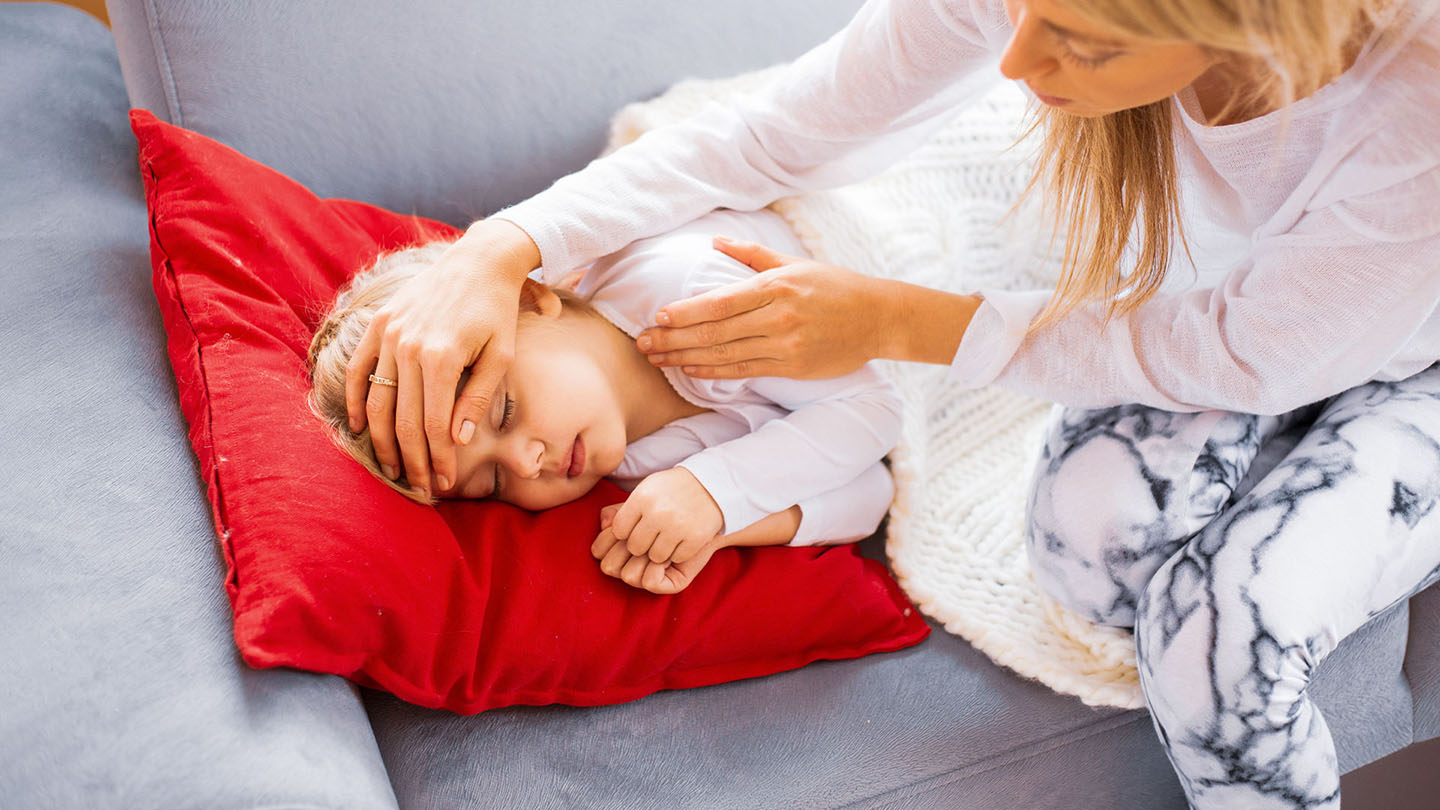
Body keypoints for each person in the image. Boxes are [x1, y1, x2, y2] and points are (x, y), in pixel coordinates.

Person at [342, 0, 1439, 806]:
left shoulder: (1411, 109)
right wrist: (492, 248)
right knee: (1087, 550)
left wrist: (886, 333)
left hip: (1378, 352)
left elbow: (1245, 356)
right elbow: (776, 134)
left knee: (1219, 639)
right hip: (1258, 319)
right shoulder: (622, 436)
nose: (1015, 63)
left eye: (1082, 42)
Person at [309, 209, 902, 595]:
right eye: (490, 483)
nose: (523, 464)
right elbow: (873, 489)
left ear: (533, 300)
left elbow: (880, 410)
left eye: (504, 411)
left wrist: (719, 490)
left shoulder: (692, 293)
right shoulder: (629, 466)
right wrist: (715, 525)